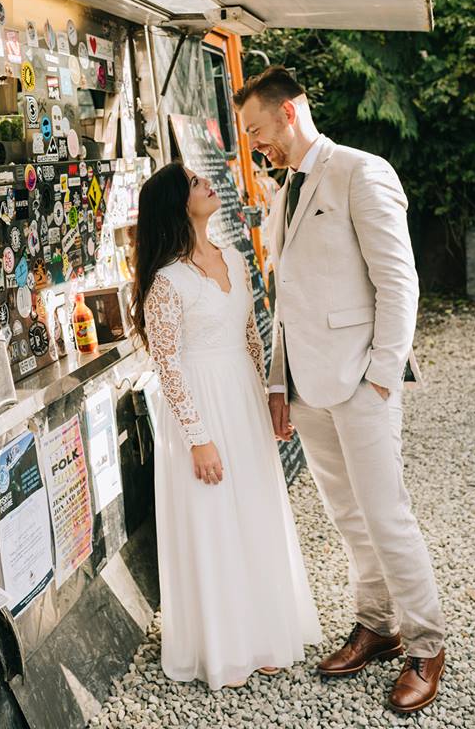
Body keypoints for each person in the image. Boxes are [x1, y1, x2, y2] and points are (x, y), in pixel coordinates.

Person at [234, 66, 445, 714]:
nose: (254, 145)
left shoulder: (362, 171)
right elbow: (285, 299)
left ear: (289, 112)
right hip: (305, 385)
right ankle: (377, 624)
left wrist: (383, 375)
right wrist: (276, 385)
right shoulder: (281, 193)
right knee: (349, 518)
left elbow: (397, 281)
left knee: (386, 515)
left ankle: (426, 644)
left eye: (258, 130)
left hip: (361, 380)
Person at [130, 161, 322, 691]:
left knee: (255, 510)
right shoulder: (166, 282)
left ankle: (266, 632)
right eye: (194, 182)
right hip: (200, 407)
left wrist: (267, 398)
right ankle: (226, 645)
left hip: (240, 397)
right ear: (176, 204)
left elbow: (251, 337)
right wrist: (198, 438)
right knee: (214, 518)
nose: (206, 183)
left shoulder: (234, 259)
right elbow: (167, 365)